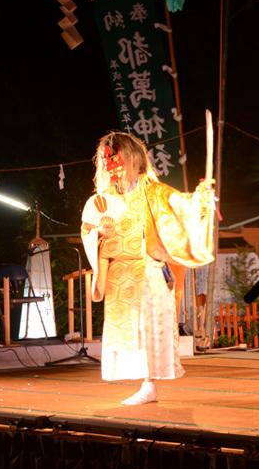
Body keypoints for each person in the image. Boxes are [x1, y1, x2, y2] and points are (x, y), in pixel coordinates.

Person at [81, 131, 215, 405]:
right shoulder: (102, 199)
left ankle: (148, 383)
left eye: (120, 160)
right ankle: (144, 382)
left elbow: (180, 205)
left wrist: (200, 199)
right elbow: (88, 229)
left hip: (147, 270)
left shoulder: (151, 191)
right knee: (127, 332)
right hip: (119, 274)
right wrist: (99, 233)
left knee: (147, 329)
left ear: (134, 160)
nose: (115, 169)